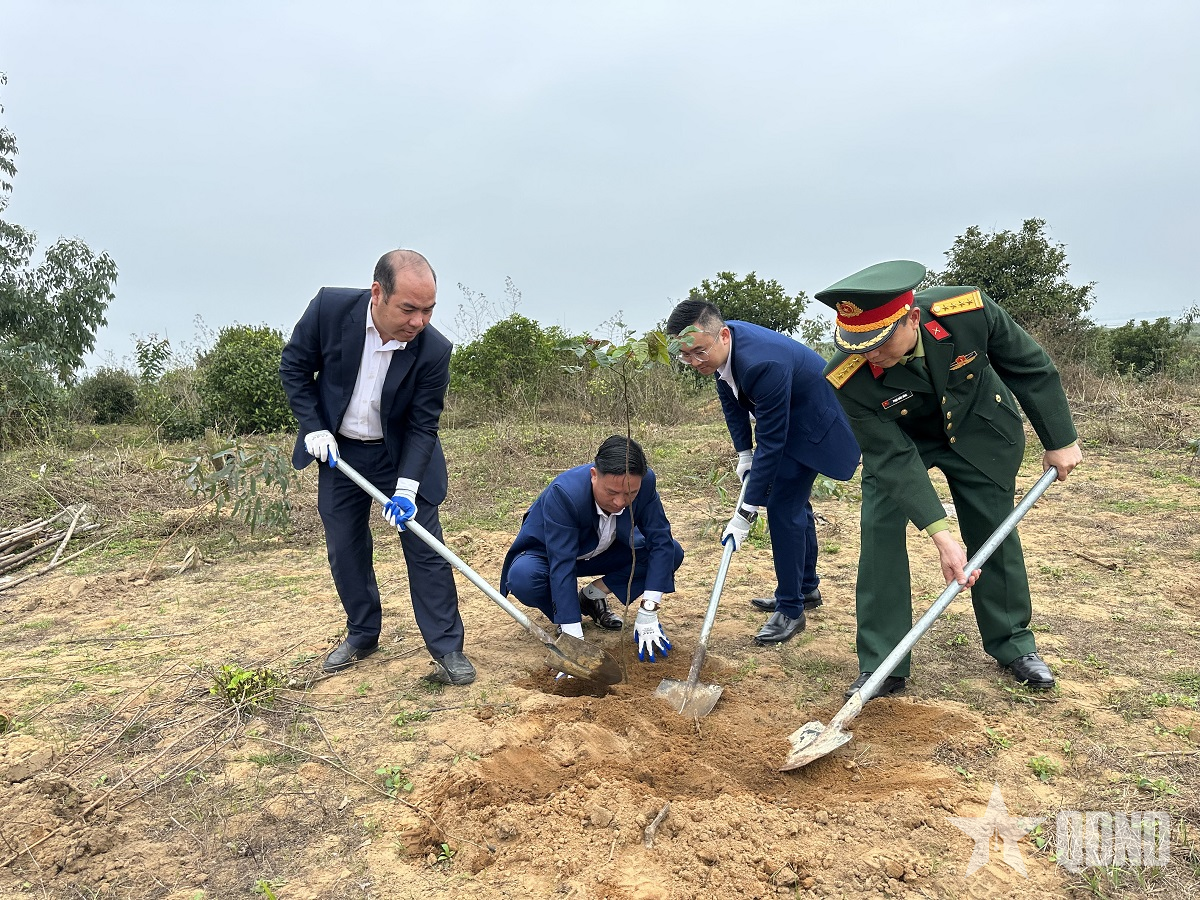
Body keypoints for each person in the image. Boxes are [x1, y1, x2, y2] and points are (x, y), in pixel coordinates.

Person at [815, 260, 1083, 699]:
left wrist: (1060, 439)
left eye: (879, 341)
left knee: (993, 527)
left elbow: (1029, 367)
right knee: (879, 528)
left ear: (913, 317)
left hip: (978, 429)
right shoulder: (845, 375)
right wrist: (941, 535)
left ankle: (1013, 643)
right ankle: (884, 662)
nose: (869, 354)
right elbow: (891, 456)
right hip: (904, 442)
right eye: (858, 344)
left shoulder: (968, 310)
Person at [280, 249, 475, 686]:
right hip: (339, 451)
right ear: (378, 293)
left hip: (401, 455)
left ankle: (447, 648)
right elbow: (294, 366)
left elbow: (424, 424)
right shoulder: (330, 310)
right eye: (409, 308)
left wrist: (406, 488)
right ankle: (363, 634)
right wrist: (313, 427)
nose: (419, 321)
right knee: (345, 547)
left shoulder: (433, 350)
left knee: (426, 550)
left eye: (428, 310)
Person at [665, 301, 862, 645]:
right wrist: (743, 454)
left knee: (784, 509)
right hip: (791, 421)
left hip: (814, 427)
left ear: (722, 335)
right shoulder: (725, 349)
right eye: (686, 356)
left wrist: (747, 510)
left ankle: (791, 610)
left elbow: (772, 442)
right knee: (794, 506)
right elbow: (731, 400)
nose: (695, 363)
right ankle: (806, 589)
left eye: (699, 352)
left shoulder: (762, 363)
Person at [499, 435, 684, 663]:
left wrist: (649, 608)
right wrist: (573, 638)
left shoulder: (644, 483)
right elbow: (562, 564)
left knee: (672, 553)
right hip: (550, 556)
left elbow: (661, 540)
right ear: (594, 476)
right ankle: (568, 615)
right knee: (523, 578)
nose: (620, 503)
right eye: (611, 493)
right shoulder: (565, 494)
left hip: (604, 550)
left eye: (630, 494)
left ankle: (592, 596)